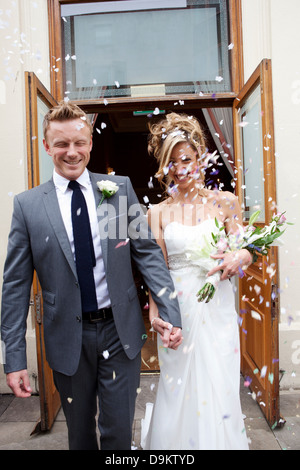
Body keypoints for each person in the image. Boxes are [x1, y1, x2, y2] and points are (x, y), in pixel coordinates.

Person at [0, 101, 182, 450]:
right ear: (46, 146)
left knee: (117, 434)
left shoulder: (119, 189)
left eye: (79, 142)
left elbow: (147, 255)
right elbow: (15, 286)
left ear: (90, 143)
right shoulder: (28, 206)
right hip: (68, 337)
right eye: (62, 144)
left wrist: (171, 313)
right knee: (80, 435)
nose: (72, 152)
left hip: (120, 331)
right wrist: (15, 358)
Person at [142, 112, 251, 450]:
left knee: (218, 381)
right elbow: (154, 269)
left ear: (201, 156)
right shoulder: (157, 212)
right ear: (164, 166)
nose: (180, 169)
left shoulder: (225, 202)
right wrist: (156, 316)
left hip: (216, 306)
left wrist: (238, 257)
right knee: (178, 386)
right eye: (171, 162)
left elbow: (246, 251)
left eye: (186, 159)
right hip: (179, 311)